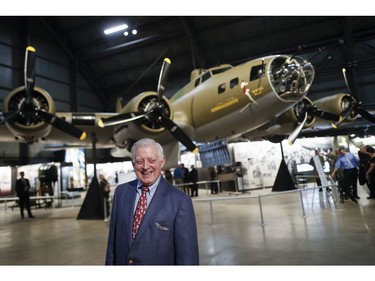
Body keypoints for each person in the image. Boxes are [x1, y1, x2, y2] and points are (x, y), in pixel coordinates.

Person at [105, 138, 199, 265]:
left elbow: (188, 259)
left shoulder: (180, 201)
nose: (145, 166)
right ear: (133, 164)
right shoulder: (121, 193)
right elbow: (112, 246)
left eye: (151, 160)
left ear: (162, 162)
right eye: (139, 161)